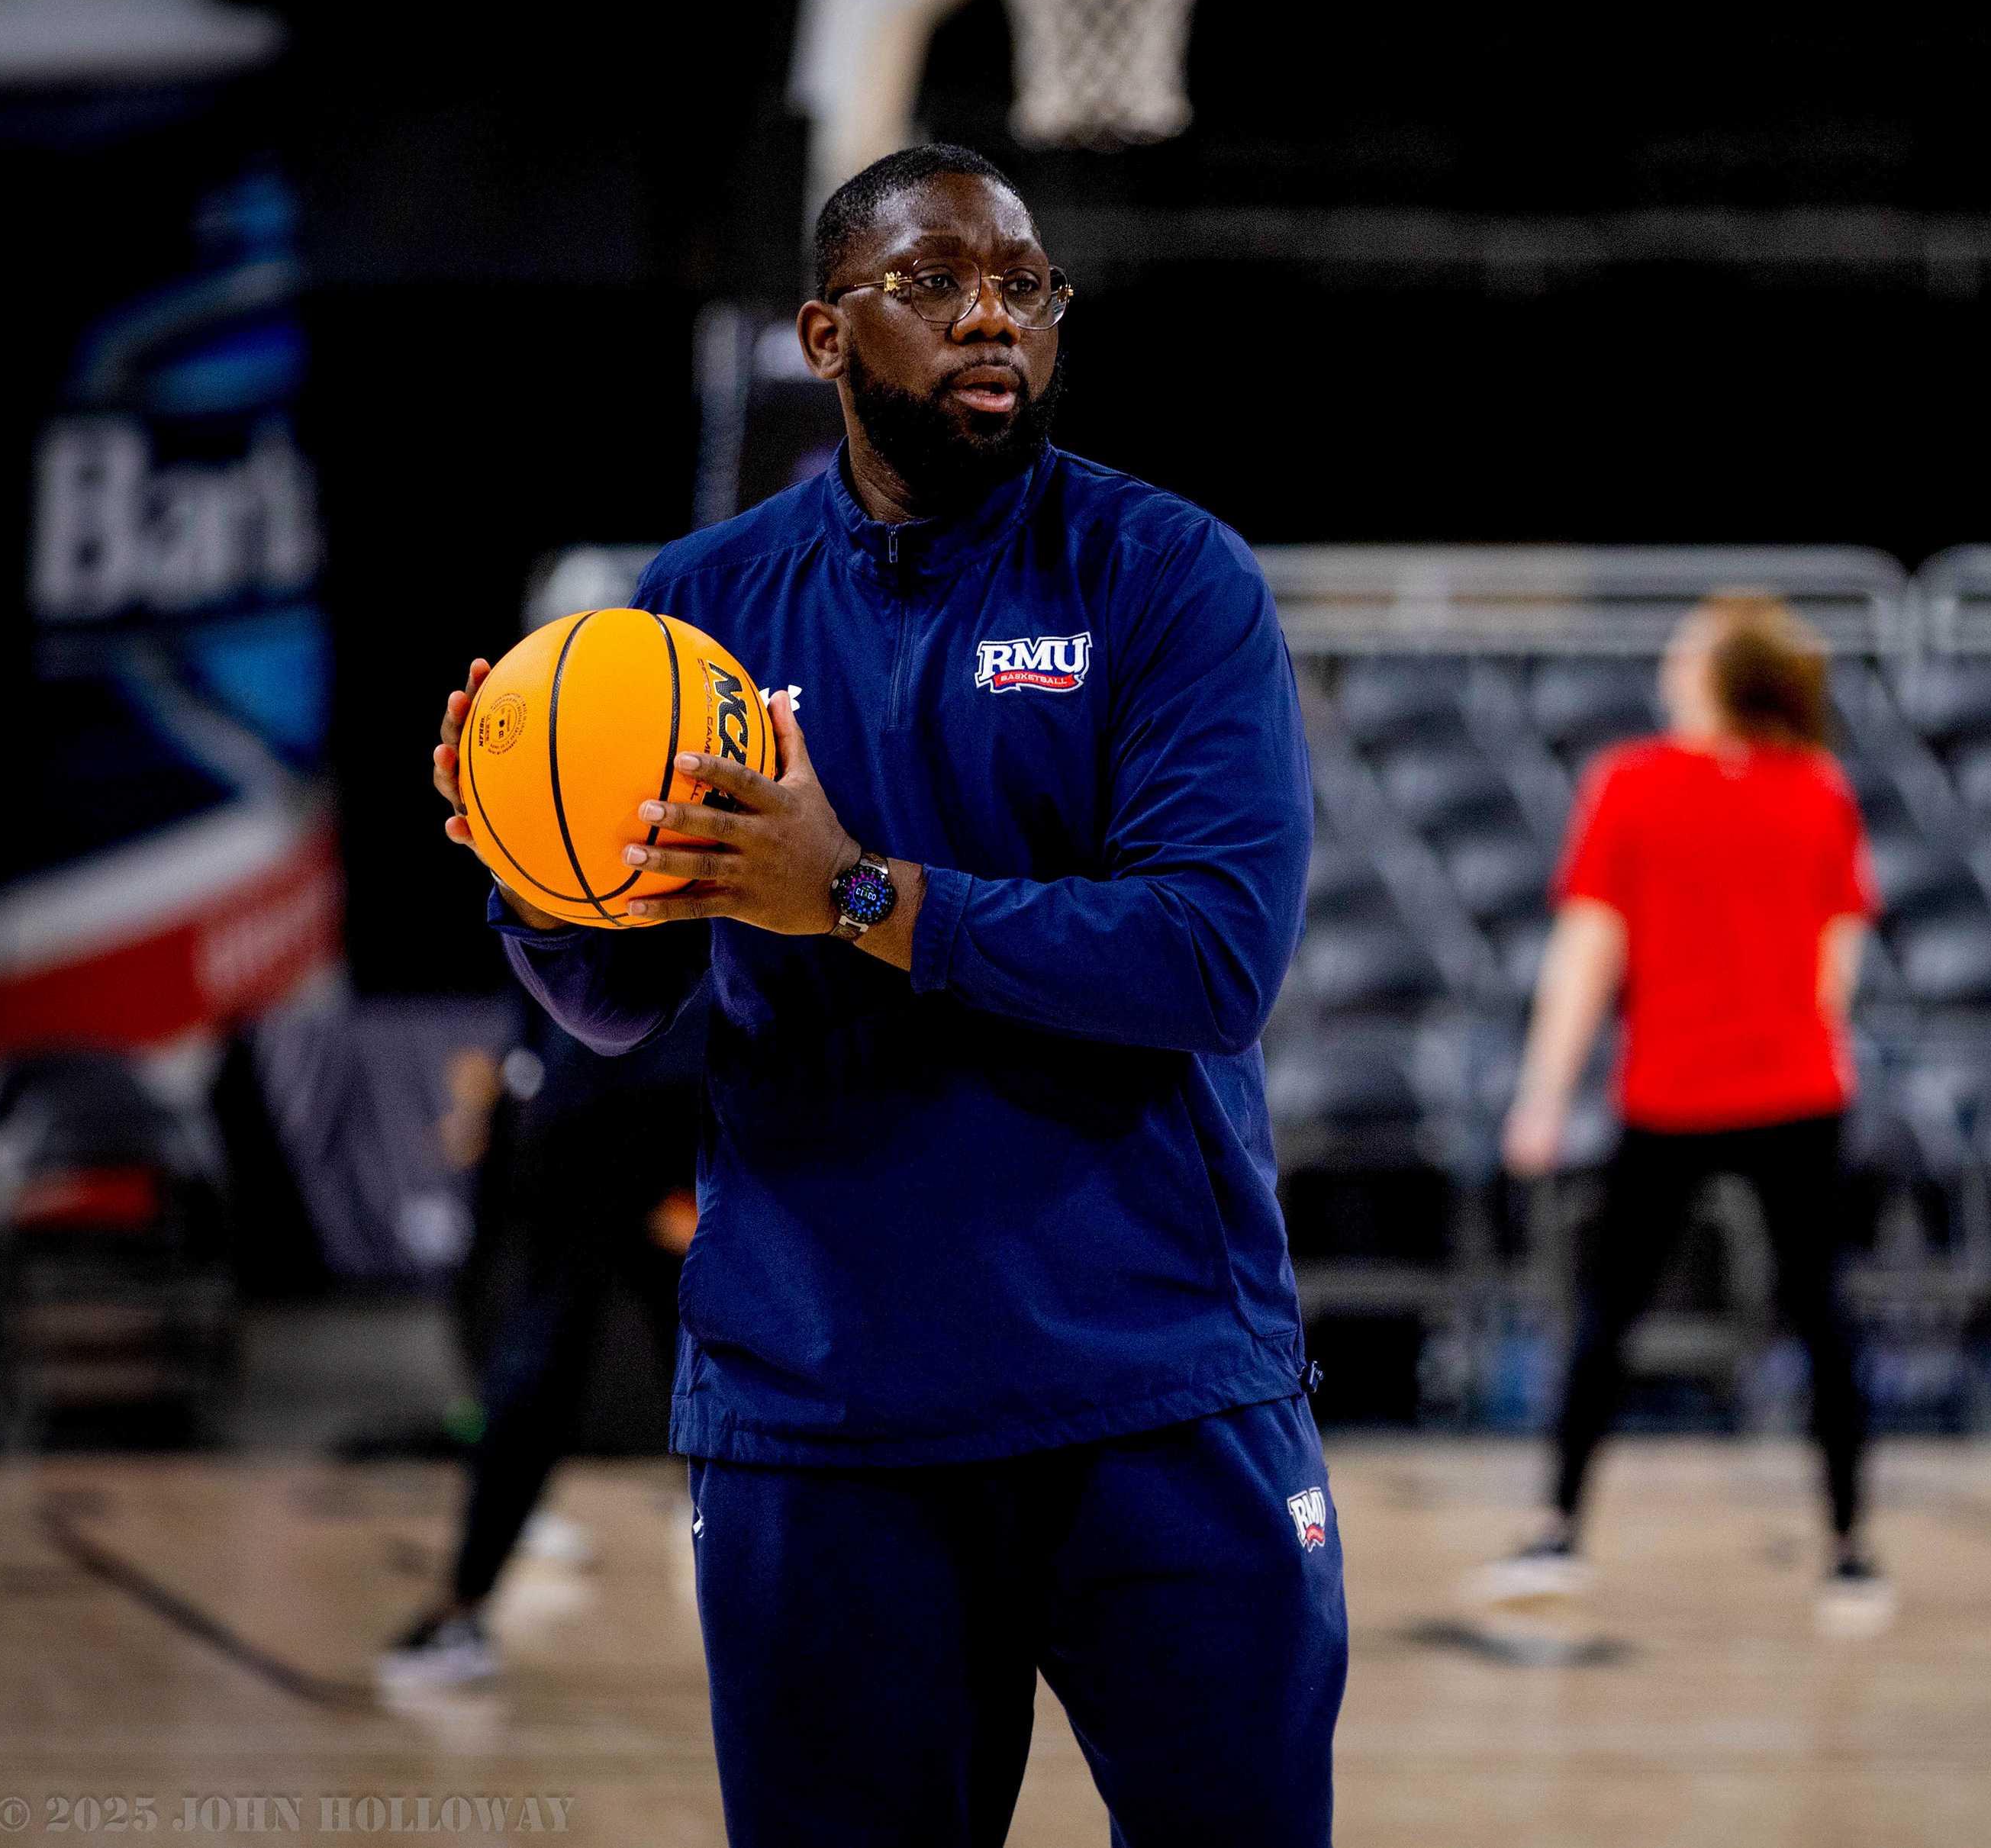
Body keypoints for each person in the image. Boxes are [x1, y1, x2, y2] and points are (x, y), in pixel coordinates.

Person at [427, 144, 1336, 1846]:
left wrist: (856, 895)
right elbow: (616, 997)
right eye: (935, 284)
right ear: (826, 335)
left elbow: (1211, 959)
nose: (992, 317)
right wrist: (529, 869)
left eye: (1024, 285)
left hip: (1154, 1391)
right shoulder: (697, 610)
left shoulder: (1167, 576)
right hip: (822, 1412)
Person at [1492, 594, 1884, 1612]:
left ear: (1714, 674)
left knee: (1610, 1314)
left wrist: (1542, 1096)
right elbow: (1839, 963)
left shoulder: (1630, 782)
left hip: (1671, 1090)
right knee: (1822, 1316)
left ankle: (1555, 1533)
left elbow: (1586, 955)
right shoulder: (1821, 788)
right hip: (1798, 1090)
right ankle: (1851, 1552)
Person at [378, 990, 707, 1692]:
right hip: (639, 1082)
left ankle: (463, 1608)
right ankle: (465, 1605)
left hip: (621, 1086)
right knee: (674, 1340)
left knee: (556, 1343)